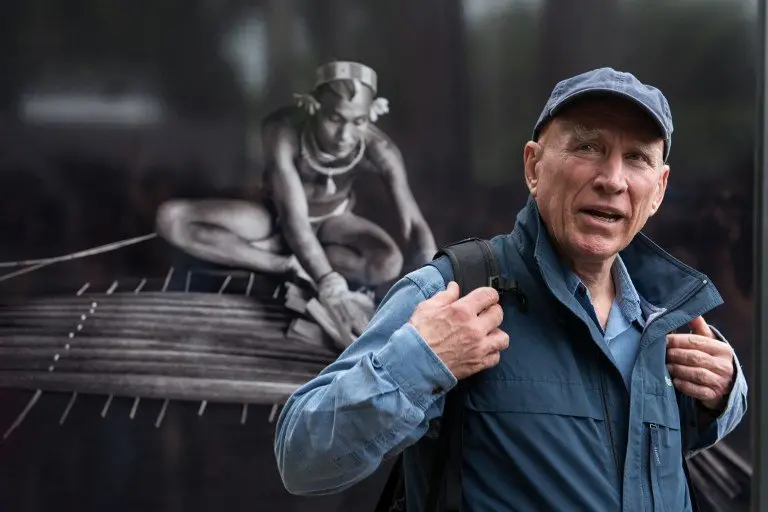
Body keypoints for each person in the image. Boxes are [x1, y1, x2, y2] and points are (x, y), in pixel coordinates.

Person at [273, 67, 748, 510]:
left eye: (637, 158)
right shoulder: (452, 294)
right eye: (587, 147)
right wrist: (419, 363)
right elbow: (301, 455)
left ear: (659, 190)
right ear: (534, 167)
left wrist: (725, 395)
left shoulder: (666, 318)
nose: (612, 179)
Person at [155, 61, 437, 345]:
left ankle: (306, 266)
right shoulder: (282, 131)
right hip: (272, 221)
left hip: (332, 224)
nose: (344, 136)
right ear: (313, 106)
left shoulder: (381, 150)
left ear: (371, 114)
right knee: (171, 219)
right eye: (335, 119)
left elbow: (413, 225)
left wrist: (431, 279)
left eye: (358, 121)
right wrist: (331, 284)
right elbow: (293, 220)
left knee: (387, 263)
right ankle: (283, 265)